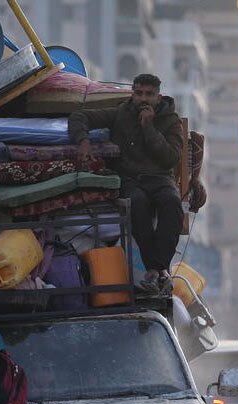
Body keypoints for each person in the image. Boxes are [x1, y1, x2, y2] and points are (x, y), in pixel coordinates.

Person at [68, 73, 184, 294]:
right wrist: (82, 140)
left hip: (160, 177)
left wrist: (149, 128)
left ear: (158, 98)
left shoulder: (170, 121)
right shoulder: (121, 113)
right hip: (130, 177)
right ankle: (155, 269)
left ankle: (158, 268)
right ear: (133, 93)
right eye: (139, 93)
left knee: (171, 202)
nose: (143, 99)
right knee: (137, 203)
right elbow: (79, 116)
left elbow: (170, 158)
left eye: (149, 95)